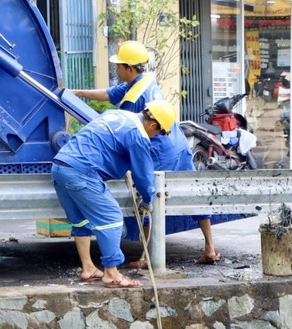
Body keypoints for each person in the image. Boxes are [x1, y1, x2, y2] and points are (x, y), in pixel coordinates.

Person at [73, 41, 220, 265]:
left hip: (160, 150)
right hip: (178, 144)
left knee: (148, 195)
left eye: (118, 66)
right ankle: (210, 247)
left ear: (129, 68)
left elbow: (128, 132)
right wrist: (78, 93)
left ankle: (148, 257)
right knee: (194, 193)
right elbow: (109, 94)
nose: (116, 70)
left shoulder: (135, 100)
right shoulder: (142, 81)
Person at [50, 101, 173, 288]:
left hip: (60, 166)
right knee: (112, 218)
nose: (155, 136)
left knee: (81, 220)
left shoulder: (117, 114)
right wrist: (148, 200)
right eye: (158, 133)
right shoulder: (138, 134)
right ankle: (112, 274)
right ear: (153, 125)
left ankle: (88, 268)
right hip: (82, 171)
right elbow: (143, 174)